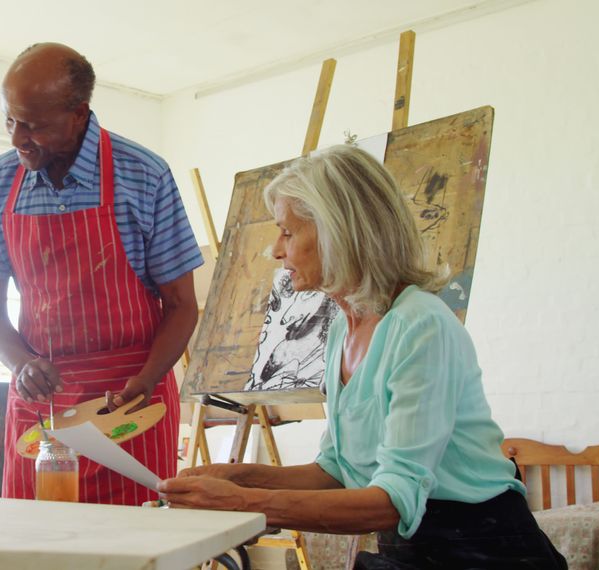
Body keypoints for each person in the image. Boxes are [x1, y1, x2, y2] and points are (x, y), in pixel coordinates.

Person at [157, 145, 566, 568]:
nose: (276, 251)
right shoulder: (342, 330)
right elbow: (336, 470)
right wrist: (237, 476)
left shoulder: (419, 325)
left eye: (288, 232)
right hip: (417, 549)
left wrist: (245, 502)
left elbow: (393, 502)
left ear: (338, 232)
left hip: (485, 551)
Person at [0, 43, 202, 505]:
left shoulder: (144, 175)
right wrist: (21, 364)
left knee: (134, 548)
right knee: (35, 548)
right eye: (10, 120)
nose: (18, 138)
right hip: (43, 403)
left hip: (131, 402)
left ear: (78, 114)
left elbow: (181, 306)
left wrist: (149, 378)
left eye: (33, 125)